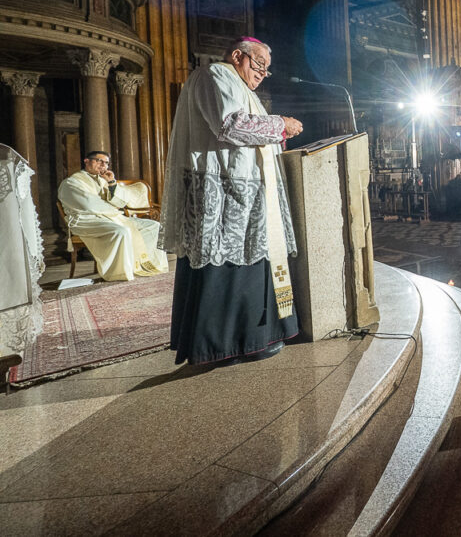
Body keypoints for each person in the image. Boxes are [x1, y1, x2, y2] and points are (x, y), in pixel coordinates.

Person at [160, 36, 304, 365]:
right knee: (225, 266)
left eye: (266, 71)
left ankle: (251, 340)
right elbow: (230, 125)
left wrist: (275, 136)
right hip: (223, 196)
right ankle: (223, 347)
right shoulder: (216, 76)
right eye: (259, 66)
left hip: (244, 195)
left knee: (248, 267)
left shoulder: (239, 86)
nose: (261, 74)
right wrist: (281, 124)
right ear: (238, 56)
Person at [57, 150, 168, 282]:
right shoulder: (71, 182)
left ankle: (151, 265)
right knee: (121, 231)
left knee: (154, 226)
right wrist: (113, 209)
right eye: (99, 161)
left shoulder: (104, 180)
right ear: (86, 161)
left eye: (106, 163)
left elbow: (120, 202)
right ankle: (119, 274)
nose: (103, 165)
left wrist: (111, 183)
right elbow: (88, 205)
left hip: (111, 217)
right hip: (86, 220)